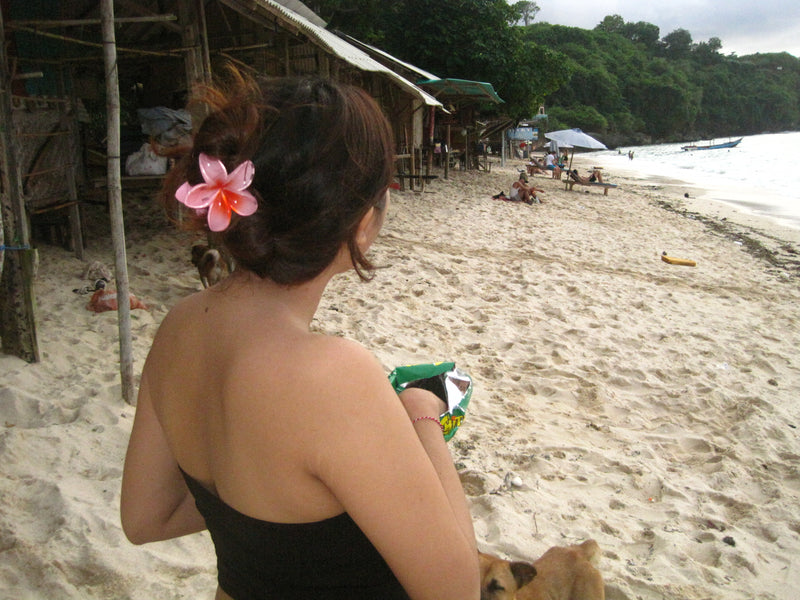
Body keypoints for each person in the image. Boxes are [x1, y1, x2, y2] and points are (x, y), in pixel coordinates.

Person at [120, 69, 480, 600]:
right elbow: (458, 591)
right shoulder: (331, 375)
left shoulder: (181, 325)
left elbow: (146, 518)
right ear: (361, 222)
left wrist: (272, 487)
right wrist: (422, 418)